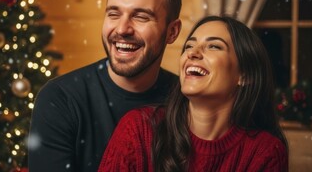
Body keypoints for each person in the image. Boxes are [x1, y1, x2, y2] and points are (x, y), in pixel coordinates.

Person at [28, 0, 182, 172]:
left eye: (140, 16)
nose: (122, 29)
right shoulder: (60, 99)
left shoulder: (186, 102)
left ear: (172, 32)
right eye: (114, 14)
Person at [99, 15, 289, 172]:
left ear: (245, 75)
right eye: (189, 46)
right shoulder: (138, 130)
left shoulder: (265, 152)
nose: (192, 53)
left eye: (214, 46)